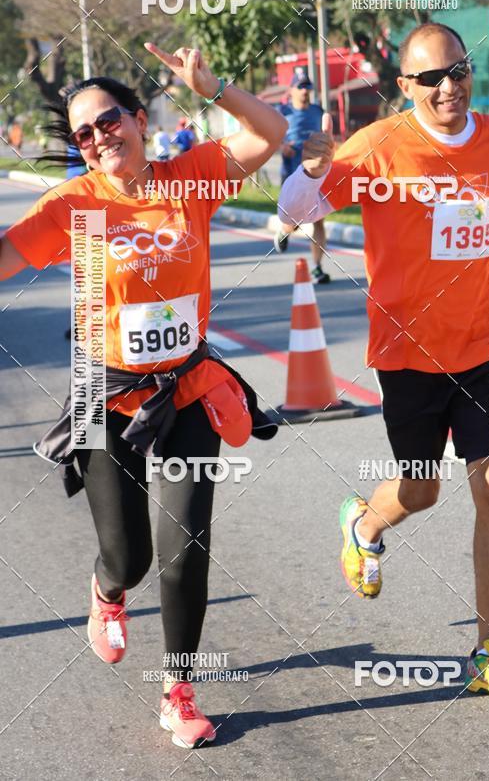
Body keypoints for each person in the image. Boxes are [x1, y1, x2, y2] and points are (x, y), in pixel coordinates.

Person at [279, 22, 489, 699]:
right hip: (410, 354)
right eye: (431, 78)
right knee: (420, 489)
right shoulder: (378, 147)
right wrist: (309, 171)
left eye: (458, 71)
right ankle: (365, 521)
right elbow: (294, 210)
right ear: (405, 86)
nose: (449, 86)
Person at [0, 43, 286, 747]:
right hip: (108, 398)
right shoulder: (77, 206)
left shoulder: (188, 181)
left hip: (187, 387)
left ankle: (178, 690)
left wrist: (215, 88)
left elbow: (269, 137)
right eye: (85, 134)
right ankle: (107, 591)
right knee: (126, 556)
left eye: (109, 121)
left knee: (185, 545)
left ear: (139, 119)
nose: (100, 139)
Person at [274, 67, 330, 284]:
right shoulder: (283, 112)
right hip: (292, 173)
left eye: (307, 86)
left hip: (316, 175)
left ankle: (317, 267)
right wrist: (281, 146)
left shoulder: (318, 111)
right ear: (291, 90)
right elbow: (269, 136)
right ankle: (284, 231)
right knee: (294, 221)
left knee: (318, 221)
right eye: (300, 87)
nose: (305, 91)